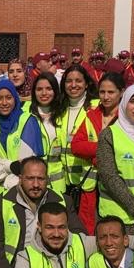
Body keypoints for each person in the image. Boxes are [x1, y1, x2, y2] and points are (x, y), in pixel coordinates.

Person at [0, 157, 86, 268]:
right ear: (20, 179)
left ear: (47, 179)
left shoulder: (63, 201)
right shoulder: (1, 202)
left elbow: (79, 237)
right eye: (30, 178)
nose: (36, 184)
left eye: (41, 179)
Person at [96, 85, 134, 239]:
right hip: (118, 217)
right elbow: (109, 176)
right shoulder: (109, 134)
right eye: (133, 101)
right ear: (124, 103)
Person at [69, 72, 124, 233]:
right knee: (89, 230)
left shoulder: (127, 118)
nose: (106, 97)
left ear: (121, 92)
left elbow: (124, 151)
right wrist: (104, 149)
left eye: (111, 92)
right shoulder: (92, 115)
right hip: (91, 185)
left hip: (117, 183)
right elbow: (76, 146)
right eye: (102, 92)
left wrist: (93, 152)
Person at [57, 65, 101, 211]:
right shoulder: (60, 108)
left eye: (78, 81)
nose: (73, 85)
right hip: (65, 182)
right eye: (69, 81)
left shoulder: (96, 107)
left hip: (89, 180)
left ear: (86, 83)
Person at [20, 73, 66, 193]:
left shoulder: (63, 114)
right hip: (33, 185)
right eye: (39, 89)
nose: (44, 93)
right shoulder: (25, 114)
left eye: (49, 89)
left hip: (58, 185)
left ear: (55, 91)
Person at [0, 80, 31, 191]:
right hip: (0, 193)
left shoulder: (27, 121)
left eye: (9, 98)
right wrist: (10, 166)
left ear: (15, 99)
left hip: (24, 191)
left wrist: (3, 168)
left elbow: (26, 166)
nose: (4, 103)